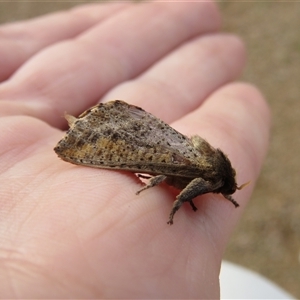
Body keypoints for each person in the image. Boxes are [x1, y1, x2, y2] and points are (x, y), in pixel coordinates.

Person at [0, 1, 270, 298]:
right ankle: (87, 136)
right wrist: (178, 204)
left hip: (164, 139)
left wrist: (191, 195)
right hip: (160, 152)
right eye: (224, 190)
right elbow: (191, 185)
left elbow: (195, 151)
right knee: (133, 154)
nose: (221, 192)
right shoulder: (207, 176)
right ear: (219, 181)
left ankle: (92, 131)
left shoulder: (210, 171)